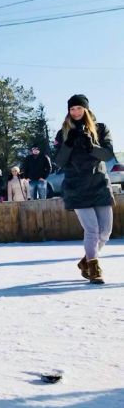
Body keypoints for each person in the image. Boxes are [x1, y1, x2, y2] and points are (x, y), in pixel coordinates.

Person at [54, 94, 114, 284]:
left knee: (106, 231)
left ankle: (86, 261)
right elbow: (60, 162)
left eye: (79, 108)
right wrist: (69, 144)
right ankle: (94, 268)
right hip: (76, 186)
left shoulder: (101, 128)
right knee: (92, 230)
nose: (76, 112)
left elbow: (107, 155)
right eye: (72, 109)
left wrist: (92, 146)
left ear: (86, 109)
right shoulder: (62, 133)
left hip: (99, 184)